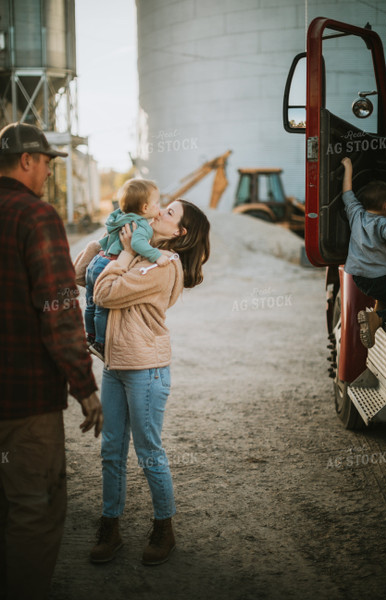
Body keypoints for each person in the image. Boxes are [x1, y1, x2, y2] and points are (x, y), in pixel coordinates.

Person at [74, 198, 210, 566]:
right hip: (114, 365)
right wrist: (101, 245)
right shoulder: (137, 249)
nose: (159, 212)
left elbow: (104, 293)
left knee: (148, 450)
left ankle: (164, 527)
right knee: (111, 451)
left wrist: (122, 257)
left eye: (169, 213)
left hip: (146, 368)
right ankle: (110, 527)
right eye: (162, 206)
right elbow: (81, 277)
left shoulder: (165, 264)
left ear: (180, 232)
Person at [0, 122, 103, 600]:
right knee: (33, 508)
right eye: (46, 162)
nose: (47, 171)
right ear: (26, 160)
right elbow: (60, 308)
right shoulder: (35, 216)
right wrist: (84, 386)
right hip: (24, 401)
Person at [85, 178, 170, 361]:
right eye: (157, 203)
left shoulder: (118, 216)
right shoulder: (142, 225)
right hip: (108, 266)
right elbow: (137, 243)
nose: (159, 207)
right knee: (102, 307)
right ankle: (100, 343)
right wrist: (156, 255)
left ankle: (90, 336)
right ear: (146, 208)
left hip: (96, 262)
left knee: (90, 304)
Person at [341, 156, 386, 348]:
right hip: (380, 279)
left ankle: (375, 317)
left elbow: (347, 193)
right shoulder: (382, 223)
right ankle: (376, 318)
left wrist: (348, 166)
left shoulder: (356, 213)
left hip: (359, 278)